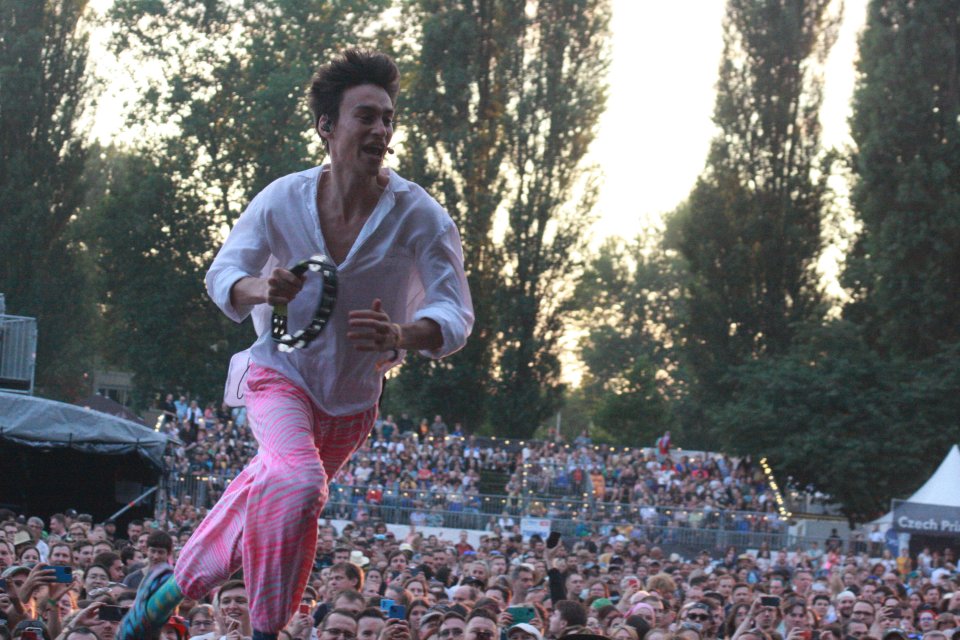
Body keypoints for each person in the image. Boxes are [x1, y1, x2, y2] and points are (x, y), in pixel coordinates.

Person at [117, 48, 472, 640]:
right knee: (300, 484)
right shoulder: (281, 198)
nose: (381, 129)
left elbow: (455, 312)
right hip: (277, 376)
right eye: (366, 116)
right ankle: (266, 630)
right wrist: (264, 287)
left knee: (275, 495)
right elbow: (223, 274)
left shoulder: (421, 216)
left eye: (388, 117)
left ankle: (166, 594)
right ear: (326, 126)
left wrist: (403, 334)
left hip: (353, 404)